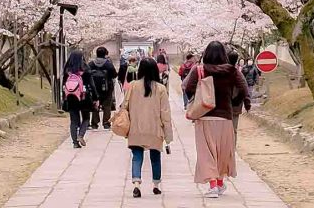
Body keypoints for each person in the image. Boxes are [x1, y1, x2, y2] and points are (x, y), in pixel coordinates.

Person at [182, 41, 249, 198]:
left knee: (207, 152)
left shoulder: (199, 70)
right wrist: (236, 102)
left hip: (205, 117)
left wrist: (198, 99)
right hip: (225, 117)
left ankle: (213, 185)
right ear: (224, 55)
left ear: (206, 54)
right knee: (222, 152)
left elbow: (188, 87)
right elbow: (243, 88)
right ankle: (219, 183)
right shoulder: (231, 71)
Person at [121, 57, 174, 198]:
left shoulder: (132, 86)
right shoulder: (161, 89)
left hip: (136, 127)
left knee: (137, 156)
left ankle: (137, 183)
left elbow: (124, 106)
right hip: (155, 128)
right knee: (155, 157)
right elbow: (165, 113)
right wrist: (168, 136)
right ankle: (156, 185)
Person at [62, 49, 97, 148]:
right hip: (84, 97)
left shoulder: (67, 70)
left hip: (71, 97)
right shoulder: (85, 69)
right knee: (86, 118)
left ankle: (75, 143)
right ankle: (80, 135)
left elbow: (63, 85)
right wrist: (96, 98)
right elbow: (92, 85)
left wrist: (64, 97)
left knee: (73, 121)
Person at [88, 46, 118, 129]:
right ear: (105, 54)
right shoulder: (108, 64)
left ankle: (94, 123)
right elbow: (114, 75)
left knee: (95, 104)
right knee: (107, 105)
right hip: (107, 88)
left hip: (94, 88)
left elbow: (87, 73)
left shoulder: (91, 63)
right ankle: (106, 123)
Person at [226, 49, 251, 136]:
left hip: (223, 106)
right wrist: (247, 103)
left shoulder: (221, 73)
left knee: (223, 131)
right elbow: (245, 89)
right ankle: (232, 148)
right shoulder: (238, 74)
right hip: (235, 106)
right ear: (236, 60)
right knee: (233, 130)